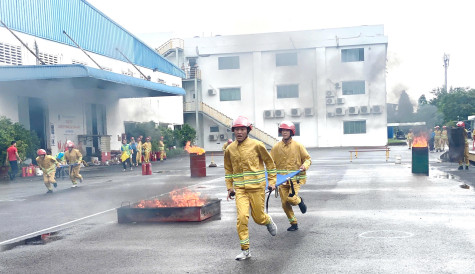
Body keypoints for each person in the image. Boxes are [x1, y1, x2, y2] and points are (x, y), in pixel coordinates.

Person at [224, 116, 277, 261]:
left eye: (242, 129)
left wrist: (272, 181)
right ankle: (245, 250)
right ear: (233, 131)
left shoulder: (257, 145)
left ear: (248, 130)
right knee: (242, 218)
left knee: (258, 218)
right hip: (240, 190)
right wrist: (230, 188)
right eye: (237, 129)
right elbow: (228, 169)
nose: (239, 132)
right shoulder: (229, 149)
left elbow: (269, 164)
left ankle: (267, 220)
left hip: (257, 188)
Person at [270, 121, 311, 232]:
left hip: (295, 179)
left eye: (287, 130)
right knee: (284, 204)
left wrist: (304, 165)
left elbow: (308, 159)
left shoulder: (298, 146)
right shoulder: (276, 147)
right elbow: (270, 163)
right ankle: (294, 223)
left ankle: (300, 201)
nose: (284, 132)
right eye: (283, 130)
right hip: (282, 180)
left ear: (291, 132)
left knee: (291, 199)